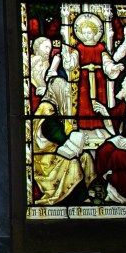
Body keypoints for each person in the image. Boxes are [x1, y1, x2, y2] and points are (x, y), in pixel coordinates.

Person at [32, 77, 96, 205]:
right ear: (57, 92)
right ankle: (76, 198)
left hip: (54, 151)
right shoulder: (46, 108)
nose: (67, 97)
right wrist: (71, 143)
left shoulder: (53, 107)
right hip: (44, 159)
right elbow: (53, 132)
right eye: (65, 93)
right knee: (72, 162)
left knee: (85, 157)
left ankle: (89, 190)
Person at [92, 68, 126, 204]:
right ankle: (105, 186)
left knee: (119, 156)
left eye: (125, 83)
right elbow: (115, 117)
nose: (122, 85)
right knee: (105, 150)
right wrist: (105, 112)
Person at [62, 14, 109, 129]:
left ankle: (101, 127)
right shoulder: (80, 48)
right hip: (85, 79)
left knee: (100, 100)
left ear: (95, 32)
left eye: (89, 33)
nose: (87, 36)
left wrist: (112, 67)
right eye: (84, 33)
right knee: (85, 102)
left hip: (99, 79)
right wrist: (67, 57)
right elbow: (72, 63)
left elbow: (107, 61)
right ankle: (85, 127)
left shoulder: (100, 48)